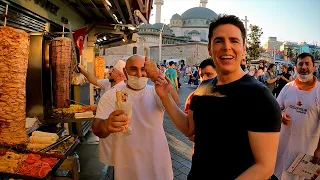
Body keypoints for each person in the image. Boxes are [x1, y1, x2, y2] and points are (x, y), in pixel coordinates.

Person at [153, 14, 282, 179]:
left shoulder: (260, 98)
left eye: (234, 41)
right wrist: (165, 97)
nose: (226, 47)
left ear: (243, 49)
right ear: (209, 48)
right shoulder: (203, 88)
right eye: (219, 40)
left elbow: (264, 167)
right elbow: (189, 128)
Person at [91, 55, 179, 180]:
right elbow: (96, 127)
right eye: (133, 69)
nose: (139, 74)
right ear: (125, 72)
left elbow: (175, 103)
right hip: (127, 162)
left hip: (157, 158)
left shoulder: (156, 91)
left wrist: (158, 77)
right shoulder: (111, 95)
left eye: (143, 69)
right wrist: (107, 125)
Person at [273, 53, 320, 180]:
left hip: (307, 147)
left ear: (314, 67)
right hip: (283, 143)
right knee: (279, 174)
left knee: (298, 177)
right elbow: (276, 107)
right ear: (295, 68)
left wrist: (319, 150)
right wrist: (281, 115)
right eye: (300, 64)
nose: (304, 67)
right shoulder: (288, 87)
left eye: (307, 64)